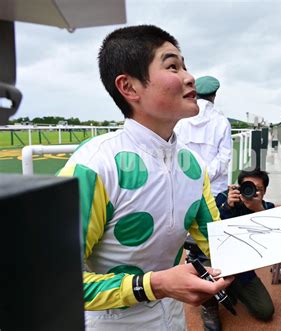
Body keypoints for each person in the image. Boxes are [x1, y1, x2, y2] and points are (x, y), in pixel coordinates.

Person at [57, 25, 235, 329]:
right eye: (172, 66)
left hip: (172, 320)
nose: (189, 77)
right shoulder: (95, 165)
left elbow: (224, 247)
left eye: (185, 65)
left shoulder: (192, 166)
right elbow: (56, 282)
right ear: (129, 87)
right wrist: (153, 286)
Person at [191, 167, 281, 331]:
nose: (252, 192)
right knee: (204, 272)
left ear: (264, 192)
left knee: (265, 311)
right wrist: (227, 206)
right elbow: (208, 229)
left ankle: (231, 289)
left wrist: (259, 210)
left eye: (258, 189)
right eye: (248, 186)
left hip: (241, 268)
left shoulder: (266, 208)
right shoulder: (223, 198)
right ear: (239, 187)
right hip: (215, 261)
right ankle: (209, 307)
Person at [174, 76, 232, 196]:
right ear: (214, 95)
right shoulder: (221, 121)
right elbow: (224, 157)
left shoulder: (181, 120)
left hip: (186, 186)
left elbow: (175, 151)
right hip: (215, 189)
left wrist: (193, 177)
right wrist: (206, 177)